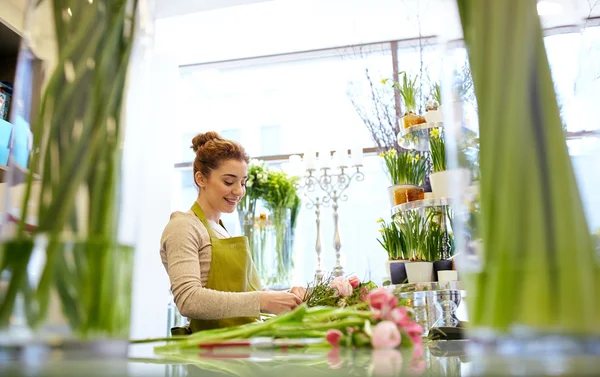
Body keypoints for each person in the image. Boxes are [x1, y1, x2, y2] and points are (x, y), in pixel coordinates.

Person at [160, 131, 305, 333]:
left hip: (242, 346)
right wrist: (263, 300)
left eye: (243, 182)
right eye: (229, 182)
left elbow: (253, 294)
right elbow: (188, 300)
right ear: (201, 179)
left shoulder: (223, 231)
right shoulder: (183, 227)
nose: (239, 191)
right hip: (211, 355)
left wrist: (289, 297)